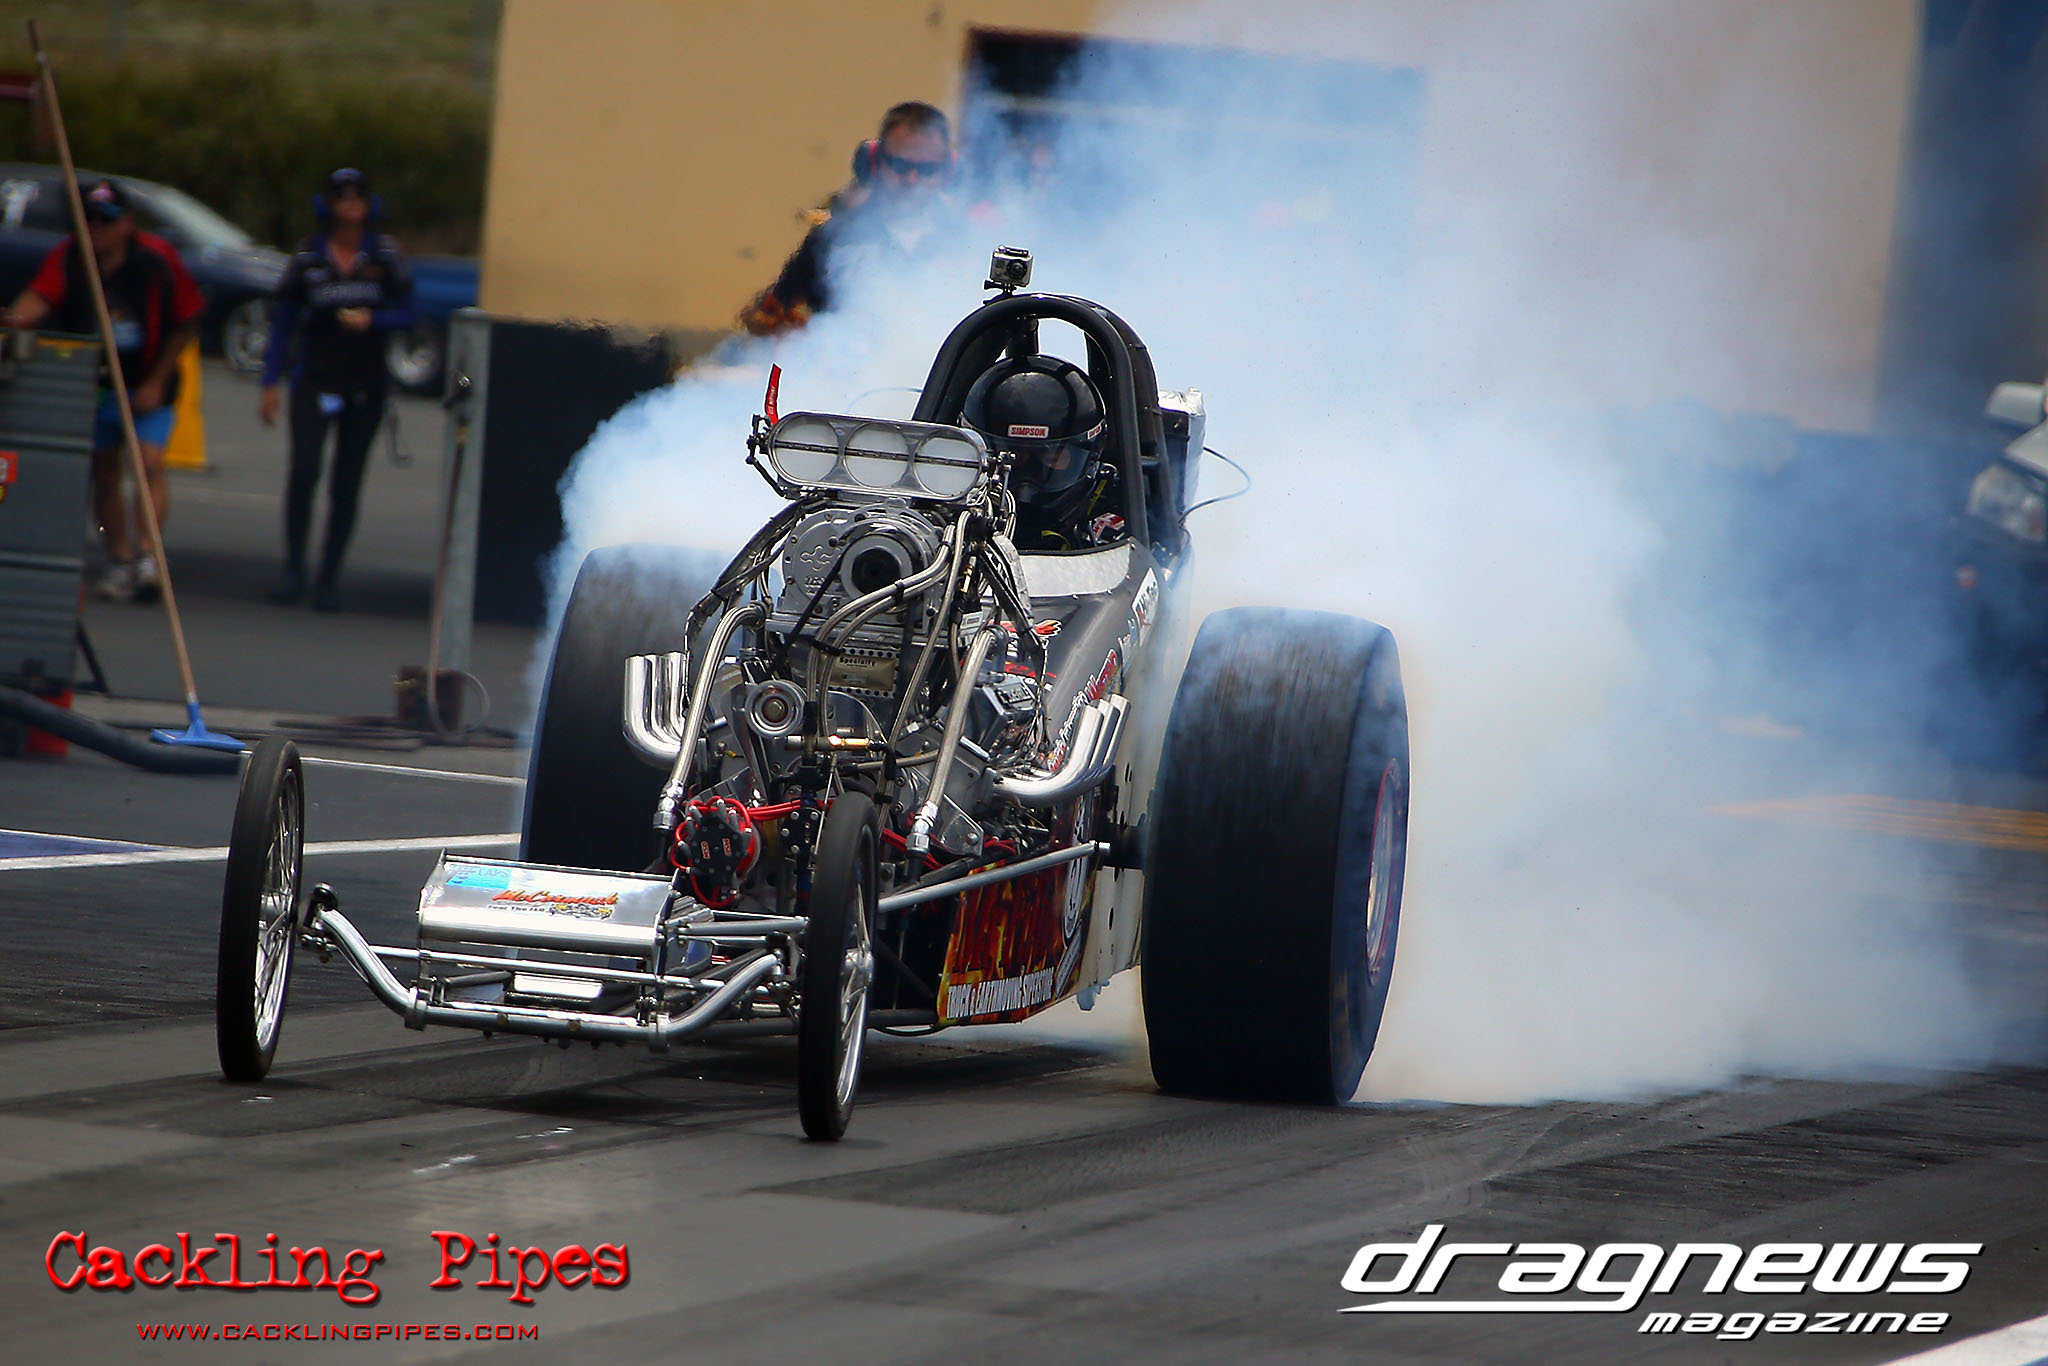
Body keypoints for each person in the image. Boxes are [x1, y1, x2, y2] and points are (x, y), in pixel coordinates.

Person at [2, 178, 204, 602]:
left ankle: (148, 555)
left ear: (127, 223)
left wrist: (156, 381)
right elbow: (37, 299)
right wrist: (15, 320)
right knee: (104, 473)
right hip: (93, 386)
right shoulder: (69, 258)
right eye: (88, 220)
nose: (96, 229)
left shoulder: (156, 259)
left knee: (148, 464)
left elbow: (187, 321)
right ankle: (120, 557)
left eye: (105, 221)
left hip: (147, 382)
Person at [259, 167, 414, 611]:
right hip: (314, 378)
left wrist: (373, 320)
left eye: (357, 198)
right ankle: (293, 568)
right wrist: (270, 381)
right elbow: (284, 321)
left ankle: (328, 577)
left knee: (346, 482)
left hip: (364, 384)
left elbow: (409, 313)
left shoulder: (385, 256)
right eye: (341, 198)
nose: (350, 206)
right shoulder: (308, 256)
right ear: (328, 205)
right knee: (304, 468)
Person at [739, 101, 957, 335]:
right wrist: (812, 329)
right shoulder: (834, 237)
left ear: (947, 170)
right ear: (874, 162)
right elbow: (763, 317)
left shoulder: (965, 237)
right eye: (900, 165)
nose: (912, 179)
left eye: (926, 169)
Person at [961, 355, 1124, 551]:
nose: (1027, 481)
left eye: (1052, 457)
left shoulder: (1120, 521)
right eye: (1013, 456)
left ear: (1091, 454)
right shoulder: (950, 503)